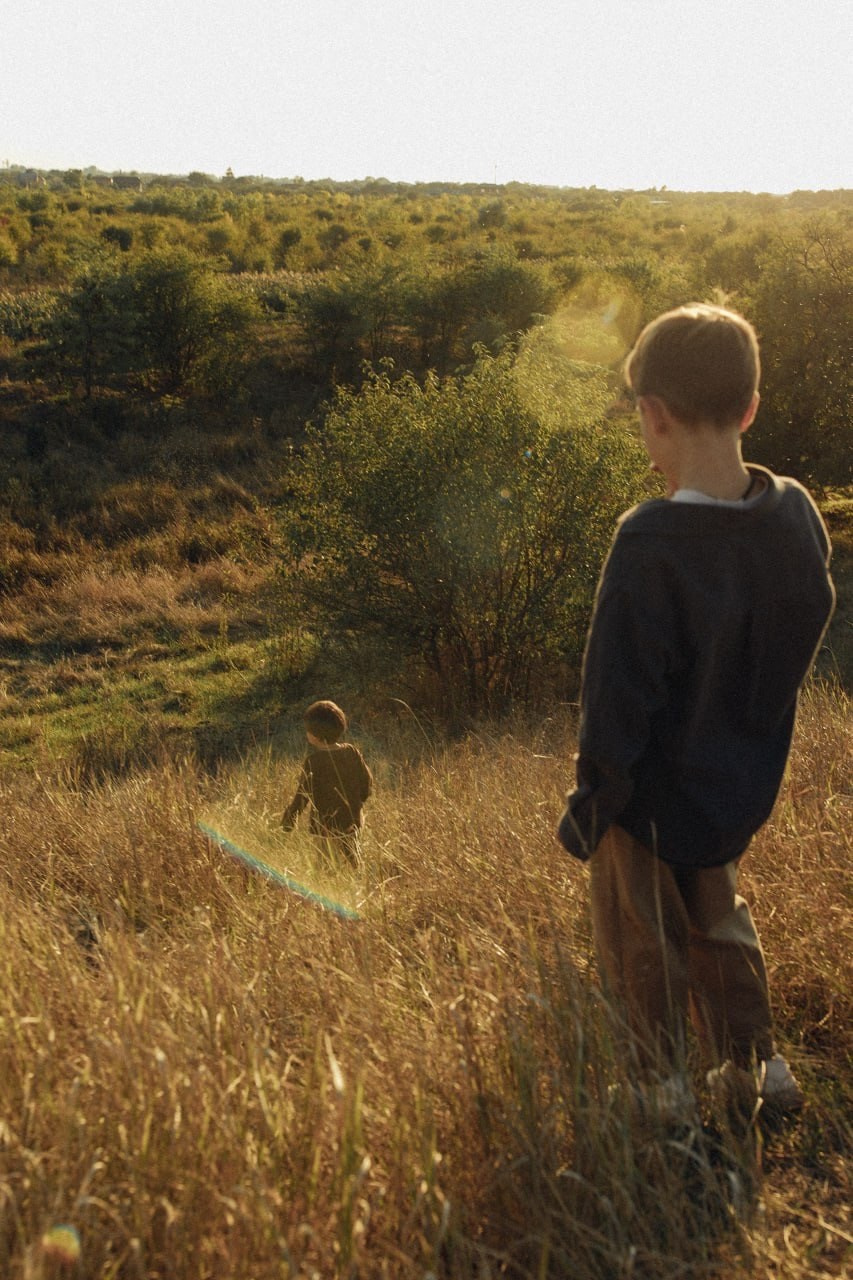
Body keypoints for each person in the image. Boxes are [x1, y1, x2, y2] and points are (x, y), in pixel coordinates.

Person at [556, 304, 835, 1118]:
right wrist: (745, 728)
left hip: (641, 791)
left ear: (652, 415)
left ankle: (659, 1088)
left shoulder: (648, 542)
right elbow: (807, 616)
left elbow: (615, 690)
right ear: (748, 408)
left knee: (640, 938)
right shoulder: (792, 514)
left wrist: (594, 799)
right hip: (731, 777)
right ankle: (755, 1070)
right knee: (720, 921)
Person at [282, 700, 373, 865]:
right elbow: (366, 781)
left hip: (325, 826)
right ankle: (356, 878)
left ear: (315, 736)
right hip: (352, 821)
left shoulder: (313, 761)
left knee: (325, 865)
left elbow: (303, 794)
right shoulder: (351, 752)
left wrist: (290, 818)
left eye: (308, 730)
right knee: (353, 860)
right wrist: (358, 803)